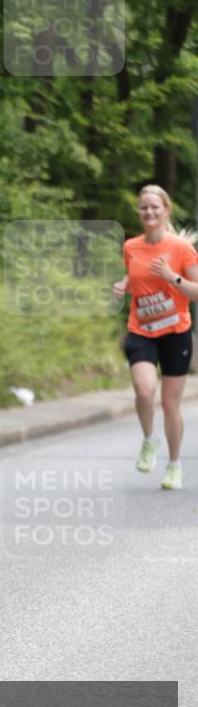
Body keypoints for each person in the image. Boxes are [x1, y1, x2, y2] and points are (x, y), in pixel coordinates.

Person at [113, 184, 198, 490]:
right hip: (142, 331)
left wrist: (172, 278)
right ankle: (150, 439)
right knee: (145, 390)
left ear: (166, 211)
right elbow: (136, 278)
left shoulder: (181, 249)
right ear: (139, 212)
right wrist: (124, 286)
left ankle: (174, 465)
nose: (149, 212)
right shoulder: (131, 246)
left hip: (175, 333)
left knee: (170, 402)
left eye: (154, 207)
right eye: (144, 207)